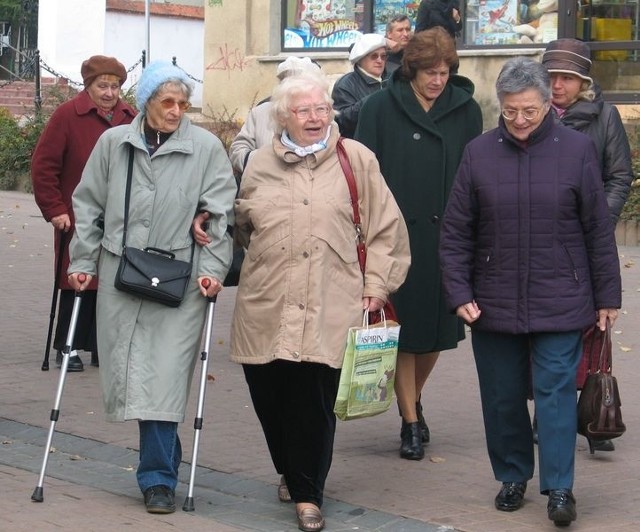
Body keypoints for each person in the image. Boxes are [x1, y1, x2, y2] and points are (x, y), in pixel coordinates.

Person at [439, 57, 621, 527]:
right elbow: (457, 231)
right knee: (501, 397)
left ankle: (560, 487)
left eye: (529, 111)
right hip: (492, 300)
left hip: (562, 297)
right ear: (500, 107)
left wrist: (608, 298)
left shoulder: (577, 149)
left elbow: (598, 230)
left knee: (556, 393)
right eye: (510, 111)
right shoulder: (478, 153)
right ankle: (513, 475)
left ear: (548, 104)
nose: (519, 121)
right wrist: (458, 292)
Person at [230, 71, 410, 532]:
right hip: (267, 299)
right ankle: (291, 470)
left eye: (322, 109)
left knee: (313, 399)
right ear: (282, 117)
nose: (314, 118)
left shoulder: (357, 159)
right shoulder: (258, 164)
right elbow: (242, 227)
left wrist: (377, 286)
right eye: (303, 110)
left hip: (334, 299)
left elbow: (386, 229)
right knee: (268, 394)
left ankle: (308, 493)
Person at [67, 61, 237, 514]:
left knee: (164, 376)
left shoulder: (205, 149)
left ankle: (158, 479)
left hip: (181, 279)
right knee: (134, 373)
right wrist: (82, 260)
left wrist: (213, 268)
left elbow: (220, 215)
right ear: (146, 103)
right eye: (168, 102)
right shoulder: (113, 143)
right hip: (122, 272)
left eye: (183, 103)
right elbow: (87, 204)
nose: (177, 111)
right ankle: (159, 467)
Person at [355, 27, 482, 461]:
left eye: (445, 71)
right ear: (411, 69)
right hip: (394, 238)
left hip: (449, 237)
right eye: (430, 71)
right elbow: (364, 175)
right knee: (402, 333)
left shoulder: (466, 111)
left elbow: (475, 173)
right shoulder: (379, 107)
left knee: (436, 336)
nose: (438, 80)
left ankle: (414, 399)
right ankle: (410, 420)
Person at [540, 38, 634, 454]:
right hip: (544, 241)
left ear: (582, 82)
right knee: (544, 328)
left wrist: (600, 219)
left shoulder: (604, 116)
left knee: (595, 326)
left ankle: (595, 412)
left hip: (589, 241)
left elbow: (620, 175)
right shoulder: (533, 115)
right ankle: (547, 413)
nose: (557, 85)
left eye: (566, 78)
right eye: (551, 77)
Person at [32, 55, 136, 372]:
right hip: (76, 214)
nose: (109, 92)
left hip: (120, 216)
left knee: (114, 281)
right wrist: (54, 209)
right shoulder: (68, 116)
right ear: (88, 85)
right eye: (102, 85)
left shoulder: (130, 117)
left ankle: (102, 345)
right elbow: (43, 166)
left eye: (115, 86)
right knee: (78, 278)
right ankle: (69, 345)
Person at [228, 56, 321, 176]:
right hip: (267, 185)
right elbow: (238, 149)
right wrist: (259, 161)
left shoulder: (322, 116)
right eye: (286, 82)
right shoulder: (261, 112)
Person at [331, 33, 388, 138]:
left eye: (383, 56)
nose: (379, 60)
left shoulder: (392, 79)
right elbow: (342, 120)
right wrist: (374, 99)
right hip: (361, 146)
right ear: (361, 59)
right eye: (374, 56)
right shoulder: (345, 84)